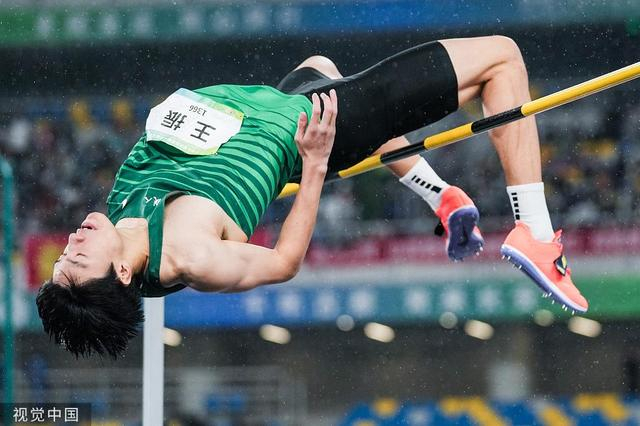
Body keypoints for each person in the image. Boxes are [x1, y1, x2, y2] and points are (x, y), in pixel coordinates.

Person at [36, 36, 588, 359]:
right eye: (78, 261)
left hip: (277, 105)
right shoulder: (189, 256)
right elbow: (283, 263)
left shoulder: (121, 218)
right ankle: (536, 233)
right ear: (122, 275)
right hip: (313, 127)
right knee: (502, 59)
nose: (72, 244)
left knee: (323, 65)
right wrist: (317, 162)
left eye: (63, 257)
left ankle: (440, 195)